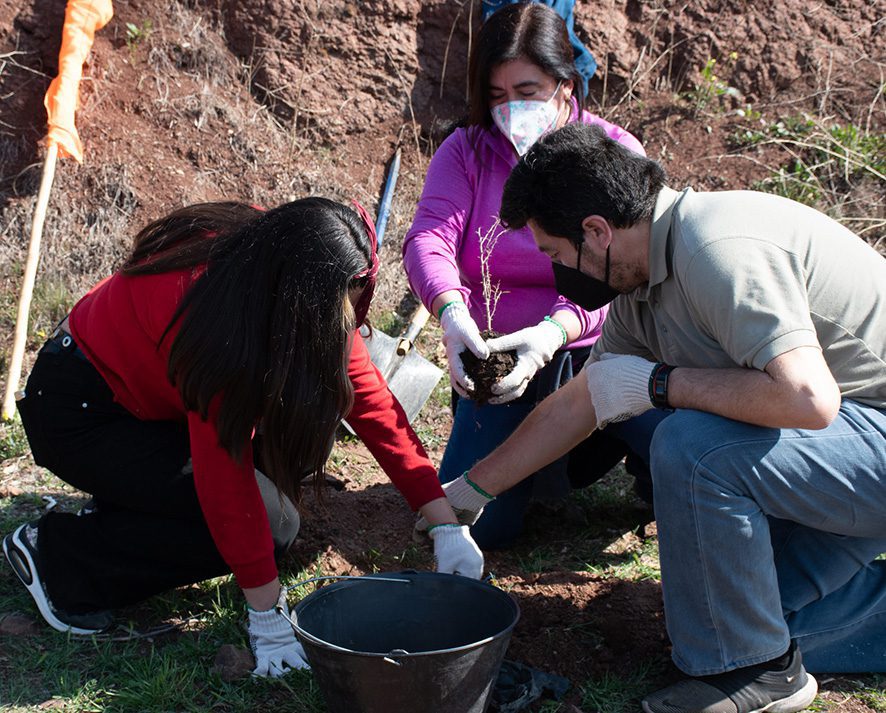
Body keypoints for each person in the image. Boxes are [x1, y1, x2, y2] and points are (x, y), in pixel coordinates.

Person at [429, 121, 886, 712]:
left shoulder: (717, 250)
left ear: (596, 232)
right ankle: (759, 645)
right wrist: (470, 491)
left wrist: (661, 384)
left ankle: (761, 674)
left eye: (555, 254)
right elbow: (580, 402)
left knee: (693, 448)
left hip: (867, 431)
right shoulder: (643, 283)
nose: (555, 271)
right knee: (730, 613)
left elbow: (808, 400)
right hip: (847, 450)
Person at [3, 198, 483, 677]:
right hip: (79, 413)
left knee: (287, 449)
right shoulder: (216, 320)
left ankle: (129, 511)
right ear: (300, 296)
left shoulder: (284, 260)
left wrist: (444, 523)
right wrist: (266, 616)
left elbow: (371, 400)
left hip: (146, 407)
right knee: (270, 528)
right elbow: (224, 481)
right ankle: (60, 559)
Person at [403, 2, 656, 550]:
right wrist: (451, 313)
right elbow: (429, 239)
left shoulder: (614, 153)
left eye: (528, 91)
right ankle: (528, 470)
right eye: (496, 96)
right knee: (484, 526)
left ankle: (648, 470)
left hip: (601, 353)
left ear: (566, 83)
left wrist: (553, 334)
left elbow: (632, 278)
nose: (510, 110)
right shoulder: (467, 150)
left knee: (680, 440)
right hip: (498, 359)